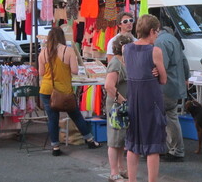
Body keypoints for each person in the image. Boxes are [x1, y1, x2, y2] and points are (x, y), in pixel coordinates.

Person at [38, 27, 101, 156]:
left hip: (46, 90)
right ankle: (90, 140)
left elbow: (41, 73)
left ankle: (55, 147)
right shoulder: (68, 51)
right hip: (64, 91)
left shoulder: (43, 52)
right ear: (62, 37)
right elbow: (74, 71)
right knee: (75, 115)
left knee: (52, 119)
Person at [124, 14, 167, 182]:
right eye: (157, 32)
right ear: (151, 31)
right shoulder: (155, 51)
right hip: (151, 100)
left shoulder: (126, 49)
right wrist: (157, 72)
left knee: (132, 144)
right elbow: (163, 79)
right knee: (153, 145)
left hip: (133, 99)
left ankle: (132, 180)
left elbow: (133, 70)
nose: (157, 35)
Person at [155, 26, 190, 162]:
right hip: (176, 85)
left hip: (166, 85)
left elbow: (161, 66)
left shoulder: (160, 42)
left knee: (168, 118)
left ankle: (175, 149)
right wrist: (186, 78)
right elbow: (184, 61)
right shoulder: (174, 40)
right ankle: (173, 148)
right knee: (171, 116)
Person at [104, 34, 134, 182]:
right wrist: (122, 101)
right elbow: (109, 86)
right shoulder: (116, 63)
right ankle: (114, 172)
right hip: (117, 106)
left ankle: (121, 169)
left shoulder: (124, 62)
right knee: (114, 139)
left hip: (123, 105)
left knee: (122, 139)